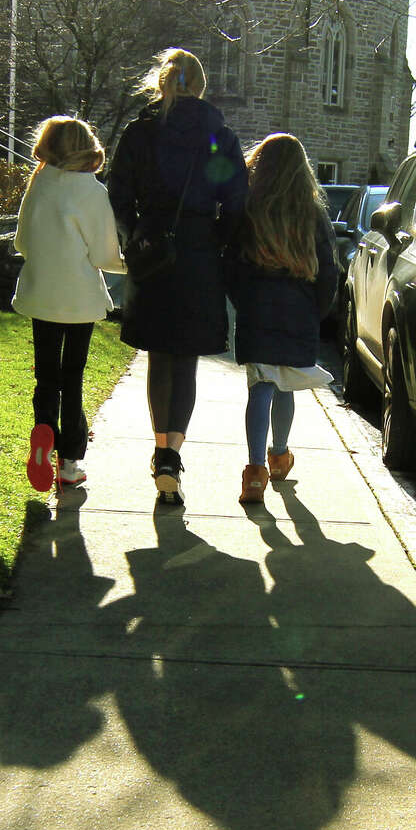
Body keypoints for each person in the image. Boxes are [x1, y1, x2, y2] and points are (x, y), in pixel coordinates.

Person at [107, 48, 248, 504]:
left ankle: (162, 449)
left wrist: (134, 236)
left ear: (161, 84)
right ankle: (174, 454)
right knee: (184, 357)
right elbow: (237, 199)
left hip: (152, 248)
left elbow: (119, 193)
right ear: (200, 85)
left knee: (158, 355)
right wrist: (217, 240)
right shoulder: (218, 134)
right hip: (198, 251)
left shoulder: (140, 131)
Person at [12, 115, 126, 492]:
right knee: (73, 377)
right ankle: (70, 463)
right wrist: (133, 265)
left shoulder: (39, 185)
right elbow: (105, 255)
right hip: (79, 300)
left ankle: (44, 429)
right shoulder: (91, 192)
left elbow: (22, 243)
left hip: (41, 294)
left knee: (46, 374)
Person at [225, 133, 338, 504]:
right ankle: (280, 455)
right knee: (286, 382)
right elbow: (328, 270)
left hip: (257, 307)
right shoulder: (313, 212)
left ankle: (254, 470)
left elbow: (232, 264)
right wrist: (318, 311)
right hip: (300, 308)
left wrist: (242, 301)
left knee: (260, 385)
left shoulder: (249, 207)